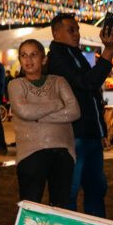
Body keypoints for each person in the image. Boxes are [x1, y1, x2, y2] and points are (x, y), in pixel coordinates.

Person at [47, 13, 113, 217]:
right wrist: (109, 51)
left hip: (88, 133)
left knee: (95, 189)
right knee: (71, 191)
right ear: (56, 33)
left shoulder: (73, 54)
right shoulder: (59, 57)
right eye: (71, 30)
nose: (77, 34)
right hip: (74, 134)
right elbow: (87, 82)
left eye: (77, 29)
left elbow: (89, 87)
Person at [8, 40, 80, 207]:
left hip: (63, 152)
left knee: (61, 207)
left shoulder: (58, 81)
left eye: (34, 54)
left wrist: (38, 116)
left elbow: (74, 111)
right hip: (30, 154)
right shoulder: (16, 85)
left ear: (44, 58)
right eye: (23, 55)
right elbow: (24, 112)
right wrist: (56, 105)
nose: (28, 59)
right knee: (31, 208)